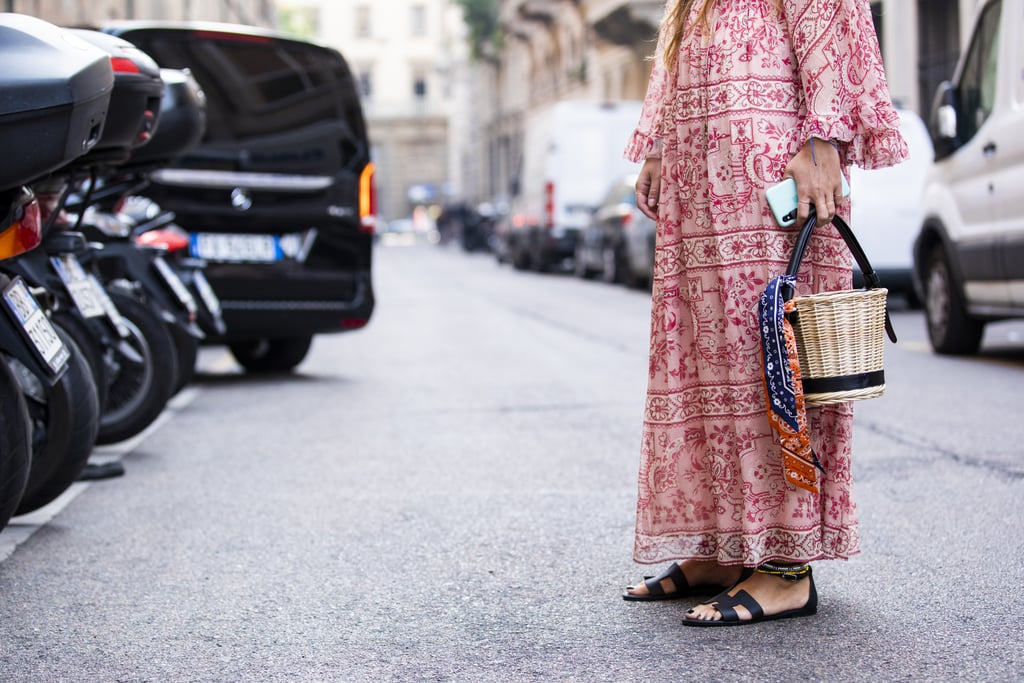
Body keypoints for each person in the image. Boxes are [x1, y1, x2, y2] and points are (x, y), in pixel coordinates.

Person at [621, 0, 908, 626]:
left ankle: (785, 567)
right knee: (708, 357)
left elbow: (832, 12)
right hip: (705, 167)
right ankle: (721, 551)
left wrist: (824, 137)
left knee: (770, 360)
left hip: (770, 163)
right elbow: (682, 22)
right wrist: (661, 141)